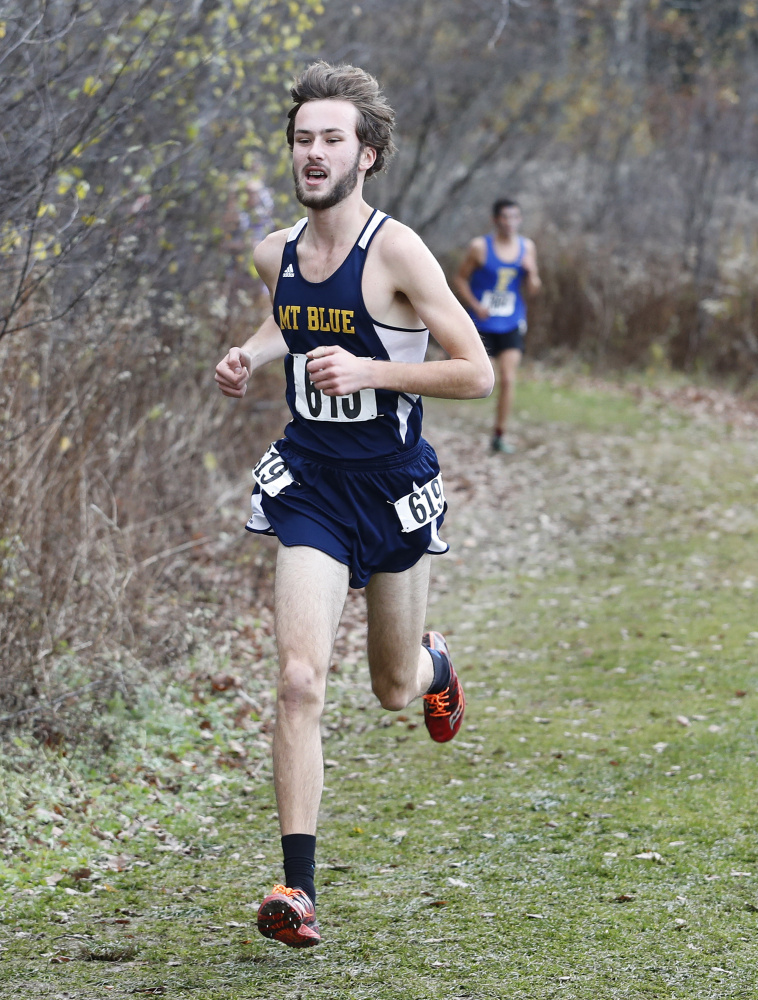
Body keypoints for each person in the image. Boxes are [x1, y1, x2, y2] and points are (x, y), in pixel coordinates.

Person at [214, 62, 493, 949]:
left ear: (366, 155)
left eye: (332, 139)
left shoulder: (398, 251)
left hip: (392, 490)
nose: (314, 153)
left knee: (387, 686)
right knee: (300, 680)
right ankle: (297, 891)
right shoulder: (275, 252)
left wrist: (374, 369)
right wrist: (250, 357)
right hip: (312, 487)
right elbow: (290, 318)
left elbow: (475, 372)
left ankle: (433, 667)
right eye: (303, 139)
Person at [454, 198, 541, 453]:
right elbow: (460, 279)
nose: (511, 222)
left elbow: (534, 290)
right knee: (479, 379)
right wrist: (475, 305)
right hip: (482, 322)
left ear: (520, 220)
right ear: (495, 220)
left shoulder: (527, 248)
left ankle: (499, 435)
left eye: (515, 217)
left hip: (512, 321)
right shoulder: (480, 247)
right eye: (505, 217)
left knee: (508, 377)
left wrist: (532, 272)